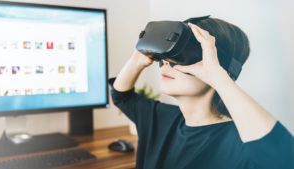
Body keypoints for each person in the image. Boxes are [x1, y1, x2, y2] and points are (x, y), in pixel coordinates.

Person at [108, 17, 294, 169]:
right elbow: (121, 96)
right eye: (166, 55)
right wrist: (137, 58)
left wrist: (219, 77)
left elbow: (284, 161)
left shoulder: (241, 142)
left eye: (179, 57)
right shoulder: (160, 118)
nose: (166, 63)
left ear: (216, 66)